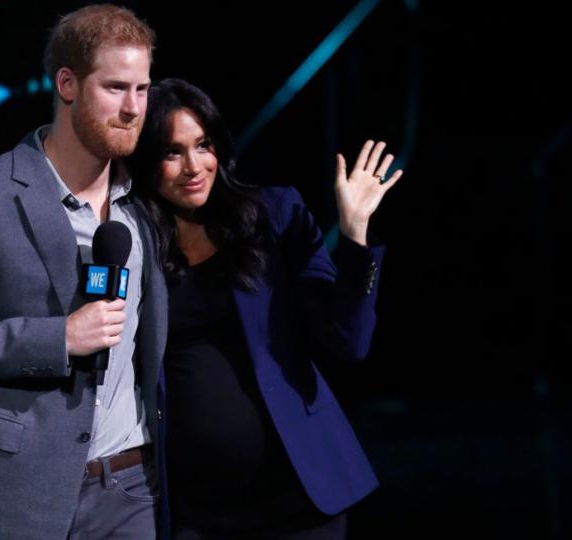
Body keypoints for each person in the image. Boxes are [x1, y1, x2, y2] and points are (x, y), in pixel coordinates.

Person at [0, 6, 169, 539]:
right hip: (16, 488)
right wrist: (58, 338)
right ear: (67, 84)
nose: (133, 108)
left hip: (131, 486)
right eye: (116, 88)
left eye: (142, 90)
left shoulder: (141, 204)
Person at [126, 78, 403, 539]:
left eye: (203, 144)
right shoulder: (135, 242)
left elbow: (348, 340)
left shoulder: (275, 214)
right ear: (147, 159)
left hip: (298, 496)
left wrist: (355, 236)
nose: (194, 166)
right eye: (173, 152)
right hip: (198, 509)